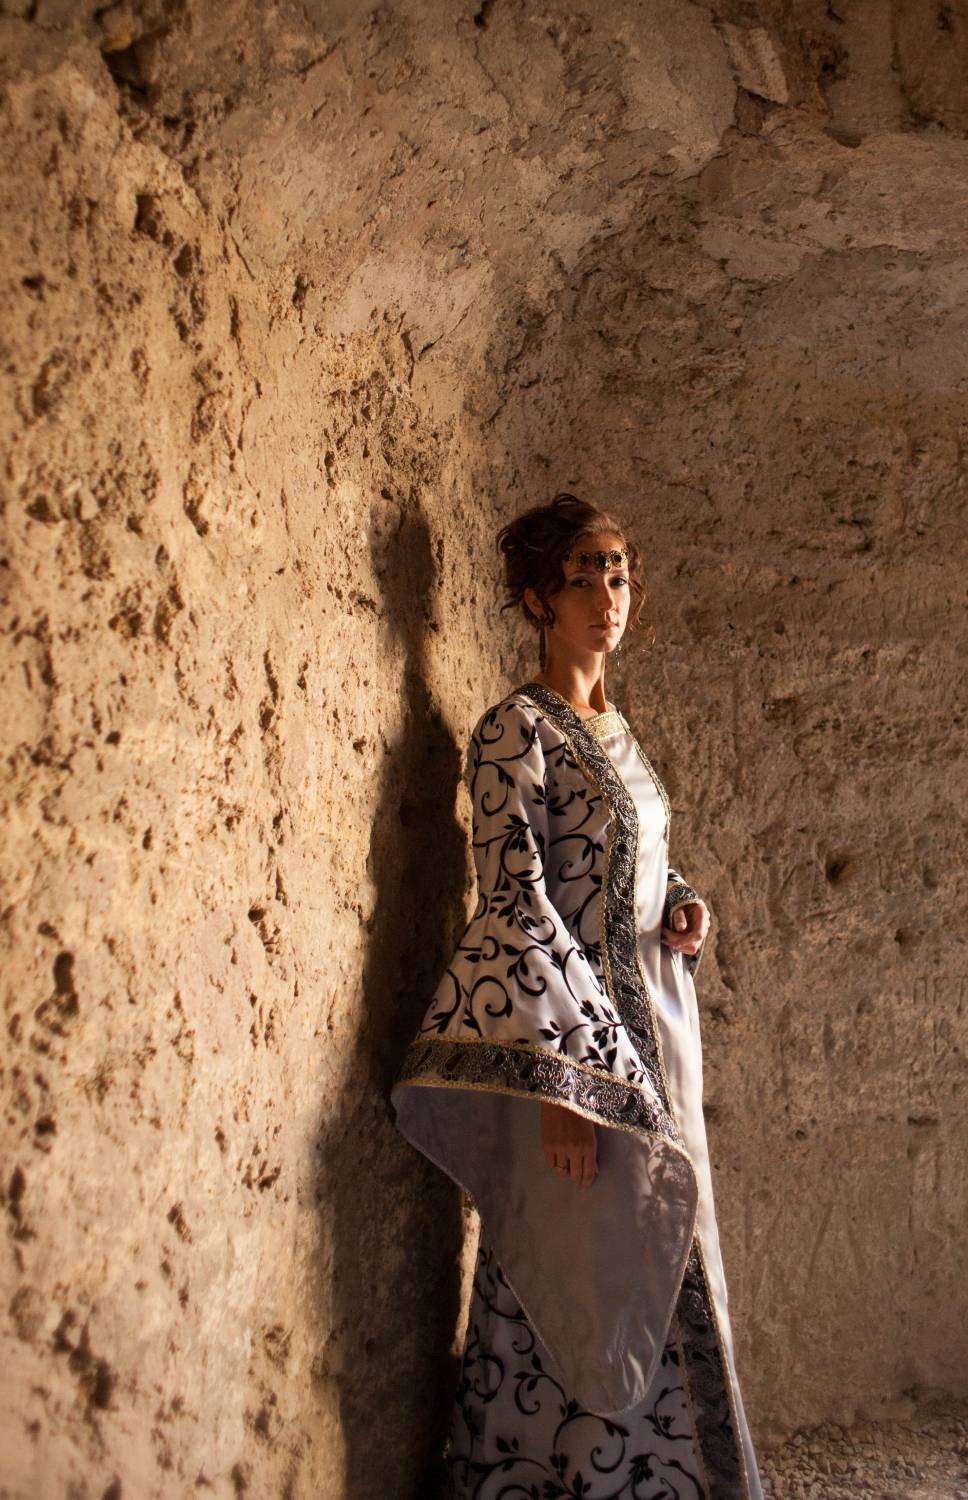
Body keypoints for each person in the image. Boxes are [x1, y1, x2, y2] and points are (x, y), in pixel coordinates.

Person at [391, 493, 765, 1499]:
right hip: (577, 1043)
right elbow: (516, 904)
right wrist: (562, 1085)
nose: (608, 595)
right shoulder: (512, 730)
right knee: (579, 1250)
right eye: (582, 576)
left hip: (660, 1028)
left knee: (661, 1234)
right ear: (536, 601)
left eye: (619, 574)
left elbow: (631, 865)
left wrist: (681, 905)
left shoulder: (616, 730)